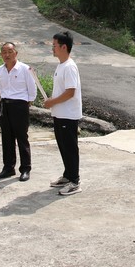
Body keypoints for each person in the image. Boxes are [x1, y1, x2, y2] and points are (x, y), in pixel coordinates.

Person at [43, 31, 82, 196]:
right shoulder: (61, 65)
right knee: (63, 146)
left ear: (63, 47)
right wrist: (53, 102)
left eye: (54, 45)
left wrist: (52, 101)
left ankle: (75, 181)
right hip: (59, 113)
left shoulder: (70, 66)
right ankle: (67, 176)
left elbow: (70, 92)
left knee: (70, 148)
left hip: (68, 114)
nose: (52, 48)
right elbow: (63, 91)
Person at [0, 42, 37, 181]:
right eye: (4, 52)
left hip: (20, 106)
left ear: (16, 53)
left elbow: (32, 89)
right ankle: (8, 168)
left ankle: (25, 169)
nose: (7, 55)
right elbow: (0, 88)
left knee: (22, 137)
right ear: (1, 54)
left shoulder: (25, 69)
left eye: (10, 51)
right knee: (6, 138)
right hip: (5, 105)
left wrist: (26, 104)